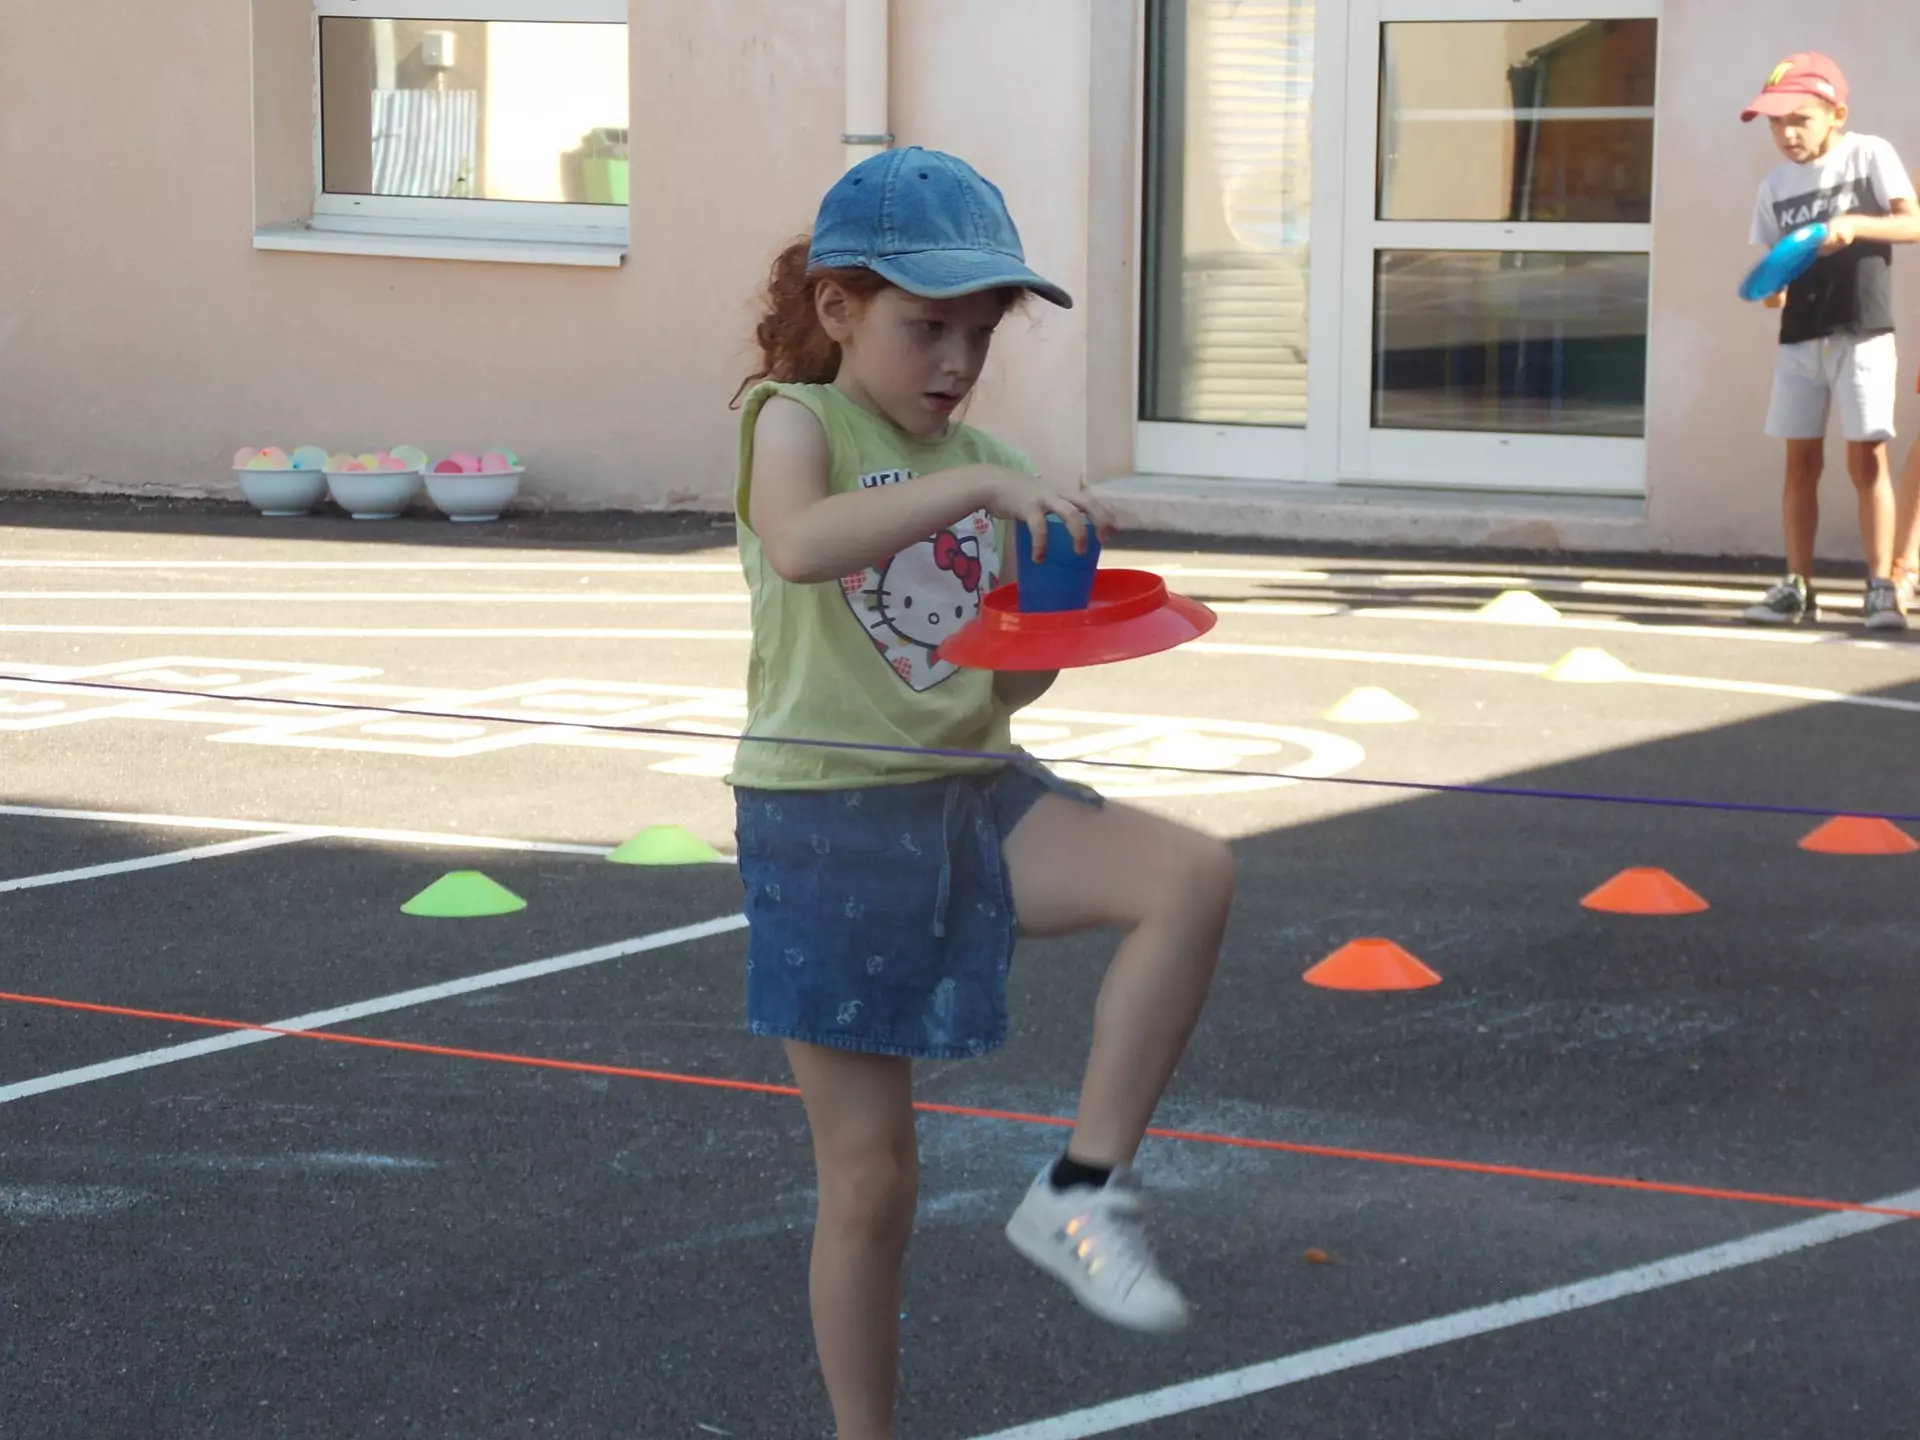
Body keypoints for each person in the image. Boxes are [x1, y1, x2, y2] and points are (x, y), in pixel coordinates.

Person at [726, 147, 1235, 1440]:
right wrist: (981, 489)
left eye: (978, 332)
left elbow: (999, 695)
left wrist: (1059, 613)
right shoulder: (798, 422)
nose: (955, 361)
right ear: (839, 309)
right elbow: (799, 546)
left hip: (971, 793)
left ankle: (1082, 1190)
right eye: (925, 326)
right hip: (828, 818)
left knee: (1190, 876)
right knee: (871, 1186)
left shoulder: (992, 462)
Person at [1738, 53, 1920, 630]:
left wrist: (1855, 225)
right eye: (1774, 123)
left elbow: (1913, 222)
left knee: (1867, 460)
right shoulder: (1773, 186)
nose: (1786, 134)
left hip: (1862, 332)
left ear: (1836, 113)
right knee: (1799, 464)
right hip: (1799, 342)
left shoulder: (1869, 154)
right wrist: (1772, 293)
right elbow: (1771, 271)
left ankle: (1880, 587)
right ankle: (1797, 587)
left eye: (1799, 119)